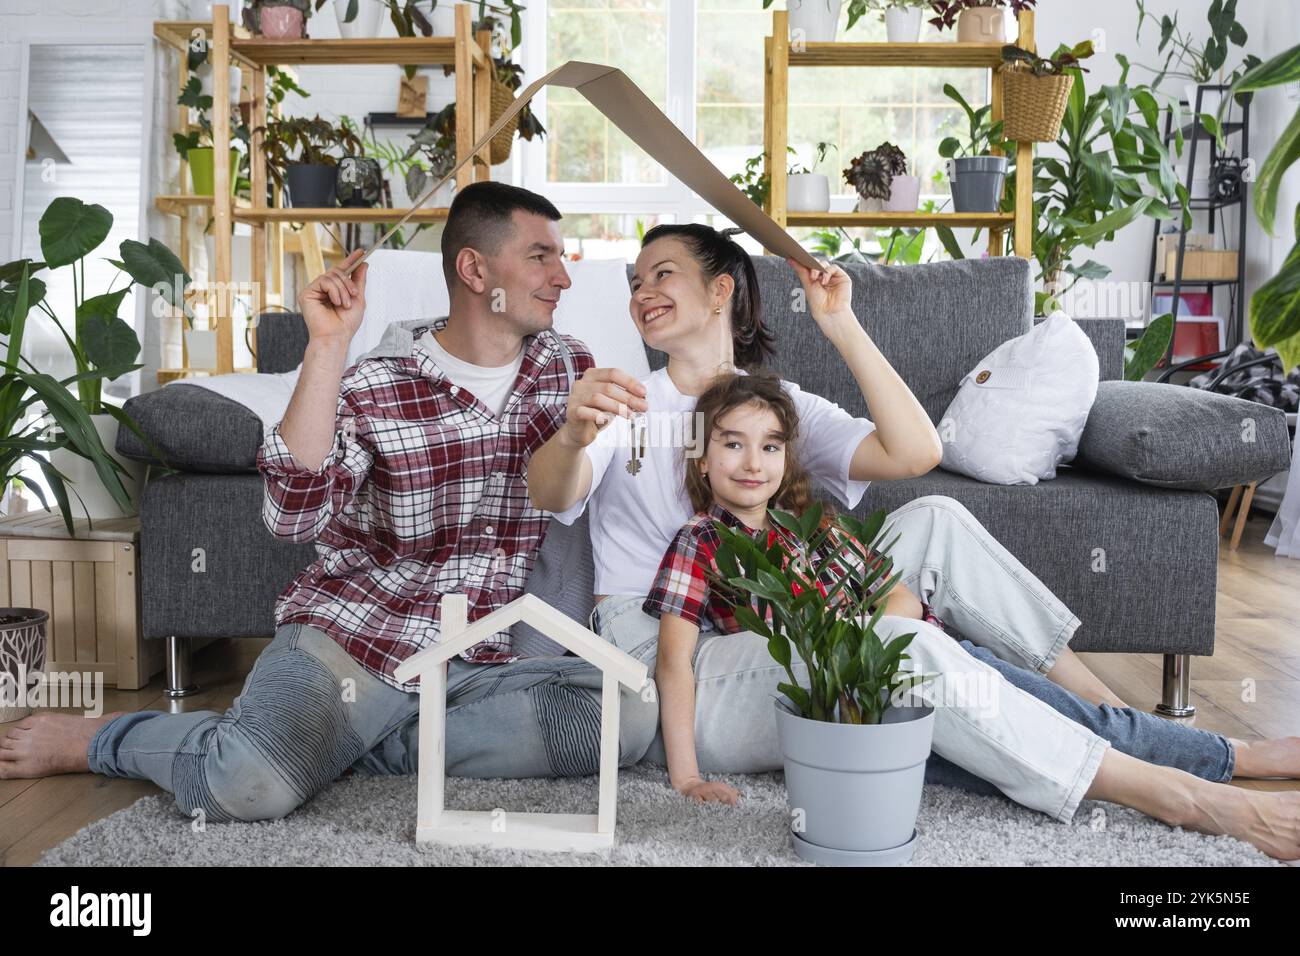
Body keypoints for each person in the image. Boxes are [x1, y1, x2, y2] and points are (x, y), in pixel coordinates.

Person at [527, 223, 1300, 860]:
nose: (640, 294)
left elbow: (913, 454)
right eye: (633, 281)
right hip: (671, 652)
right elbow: (550, 492)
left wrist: (842, 324)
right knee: (903, 646)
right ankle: (1183, 791)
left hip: (770, 628)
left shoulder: (778, 407)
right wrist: (573, 430)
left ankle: (1114, 719)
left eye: (660, 274)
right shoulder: (624, 399)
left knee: (936, 518)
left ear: (721, 288)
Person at [0, 182, 659, 821]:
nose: (564, 278)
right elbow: (292, 517)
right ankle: (107, 737)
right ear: (474, 269)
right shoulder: (375, 381)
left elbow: (566, 490)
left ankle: (346, 747)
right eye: (542, 256)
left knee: (625, 715)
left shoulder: (567, 366)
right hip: (358, 642)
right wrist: (326, 347)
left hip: (474, 664)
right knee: (246, 787)